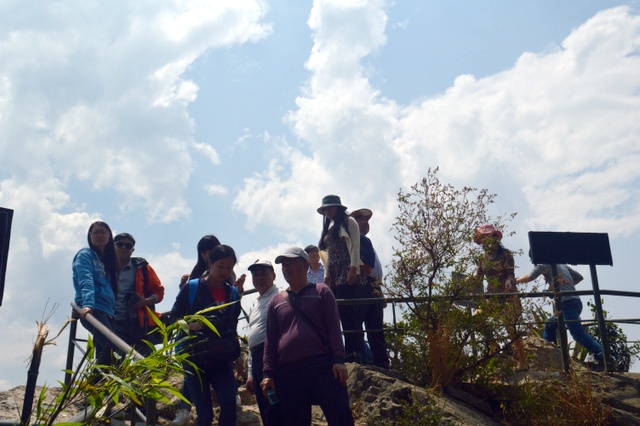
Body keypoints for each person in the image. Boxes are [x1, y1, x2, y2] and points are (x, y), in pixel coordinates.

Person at [261, 247, 354, 426]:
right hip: (289, 371)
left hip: (322, 365)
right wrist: (268, 373)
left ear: (305, 265)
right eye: (283, 265)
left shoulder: (321, 291)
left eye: (291, 263)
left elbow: (334, 328)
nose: (286, 268)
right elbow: (270, 340)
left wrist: (338, 359)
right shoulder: (276, 301)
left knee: (340, 416)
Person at [167, 244, 245, 426]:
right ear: (210, 263)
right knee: (204, 412)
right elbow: (173, 319)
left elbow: (232, 326)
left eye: (229, 267)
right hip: (195, 358)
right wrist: (190, 325)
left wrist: (238, 357)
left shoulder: (232, 293)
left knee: (229, 403)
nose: (225, 272)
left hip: (222, 357)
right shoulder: (192, 288)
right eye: (220, 266)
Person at [173, 234, 222, 426]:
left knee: (201, 369)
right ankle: (184, 410)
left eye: (211, 251)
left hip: (213, 333)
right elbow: (182, 307)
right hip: (191, 332)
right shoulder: (196, 274)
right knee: (191, 369)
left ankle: (231, 393)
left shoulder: (224, 272)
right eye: (204, 252)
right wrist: (183, 287)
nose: (207, 255)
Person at [516, 261, 604, 363]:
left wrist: (515, 281)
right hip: (575, 302)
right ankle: (549, 353)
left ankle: (602, 355)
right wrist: (556, 288)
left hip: (566, 303)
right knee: (550, 324)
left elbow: (530, 276)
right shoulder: (561, 264)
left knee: (578, 334)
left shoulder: (544, 263)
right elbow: (579, 277)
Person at [317, 194, 367, 363]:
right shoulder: (330, 228)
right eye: (325, 209)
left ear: (338, 208)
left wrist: (353, 269)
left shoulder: (348, 221)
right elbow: (329, 256)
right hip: (335, 274)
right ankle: (349, 351)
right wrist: (326, 276)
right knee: (341, 313)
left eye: (330, 207)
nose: (328, 211)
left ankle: (357, 352)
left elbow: (355, 246)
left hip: (348, 270)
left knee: (352, 313)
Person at [473, 224, 528, 370]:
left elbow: (510, 274)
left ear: (494, 238)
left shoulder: (506, 254)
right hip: (492, 297)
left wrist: (509, 281)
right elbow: (478, 278)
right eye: (483, 238)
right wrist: (468, 281)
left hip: (508, 295)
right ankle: (493, 345)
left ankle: (523, 361)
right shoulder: (482, 258)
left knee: (510, 327)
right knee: (477, 317)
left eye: (488, 237)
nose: (486, 241)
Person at [72, 220, 119, 367]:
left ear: (109, 235)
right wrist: (88, 304)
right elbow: (86, 280)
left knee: (104, 353)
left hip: (108, 311)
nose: (99, 235)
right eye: (95, 232)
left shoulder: (106, 261)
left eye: (103, 232)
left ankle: (99, 382)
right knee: (112, 349)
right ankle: (93, 381)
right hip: (94, 310)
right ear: (90, 236)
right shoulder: (85, 255)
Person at [244, 259, 284, 426]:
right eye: (255, 274)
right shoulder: (255, 305)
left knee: (278, 408)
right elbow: (251, 342)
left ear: (273, 276)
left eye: (263, 274)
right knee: (265, 408)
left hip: (274, 356)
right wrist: (250, 374)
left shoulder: (281, 295)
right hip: (257, 359)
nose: (259, 278)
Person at [113, 233, 165, 357]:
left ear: (133, 250)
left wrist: (145, 301)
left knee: (146, 360)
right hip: (113, 322)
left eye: (128, 246)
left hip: (139, 323)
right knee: (114, 361)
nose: (124, 248)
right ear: (113, 246)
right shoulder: (103, 267)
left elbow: (159, 292)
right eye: (120, 244)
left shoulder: (142, 267)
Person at [350, 208, 390, 369]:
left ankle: (379, 361)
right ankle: (366, 360)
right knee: (366, 324)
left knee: (375, 326)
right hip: (364, 284)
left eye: (367, 220)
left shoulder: (365, 241)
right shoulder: (358, 241)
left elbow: (375, 270)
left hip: (372, 285)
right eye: (362, 220)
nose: (366, 223)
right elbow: (367, 267)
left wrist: (379, 290)